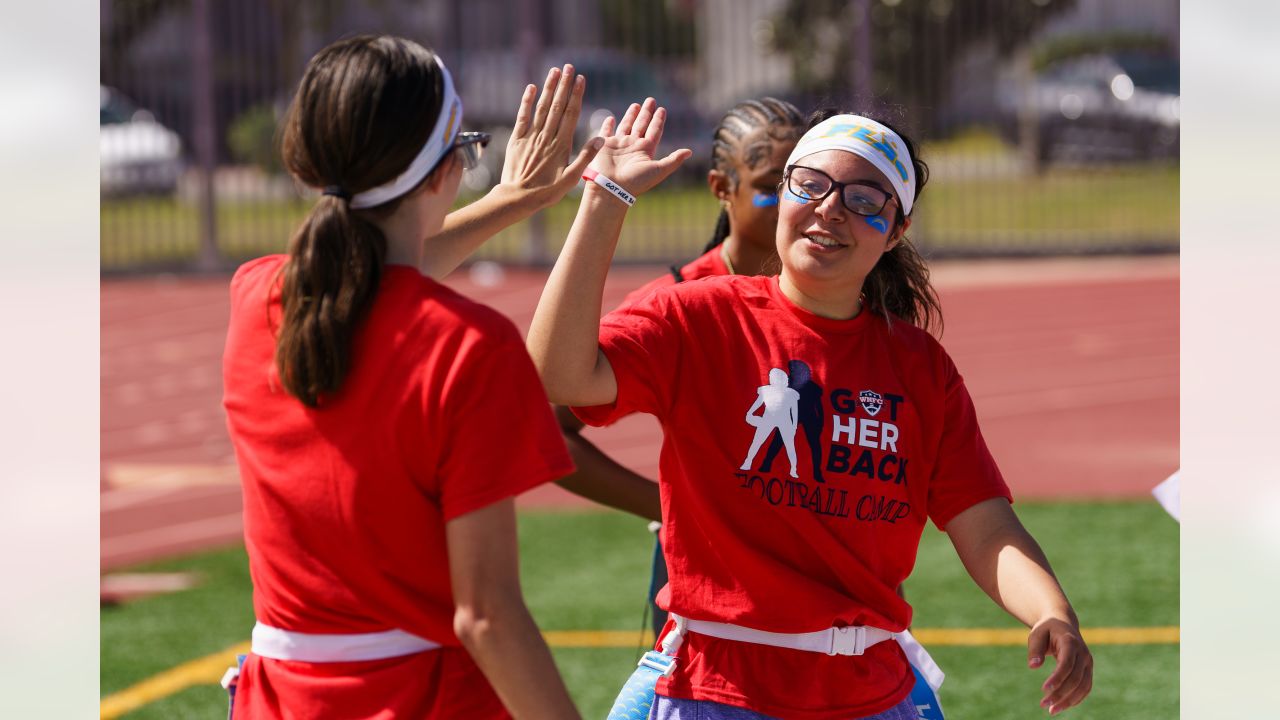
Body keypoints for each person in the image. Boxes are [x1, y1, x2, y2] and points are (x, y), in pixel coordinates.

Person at [528, 99, 1094, 718]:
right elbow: (556, 376)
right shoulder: (697, 316)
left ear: (896, 229)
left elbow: (983, 524)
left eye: (864, 199)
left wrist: (1051, 610)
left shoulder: (921, 369)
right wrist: (604, 198)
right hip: (711, 686)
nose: (829, 209)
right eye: (811, 184)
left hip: (869, 691)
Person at [222, 34, 604, 719]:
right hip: (422, 699)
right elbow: (485, 617)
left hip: (279, 699)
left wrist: (514, 199)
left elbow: (368, 281)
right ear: (441, 173)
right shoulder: (471, 345)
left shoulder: (257, 299)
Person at [551, 98, 808, 637]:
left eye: (802, 179)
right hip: (707, 593)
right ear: (721, 187)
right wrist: (673, 506)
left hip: (823, 571)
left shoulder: (842, 296)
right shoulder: (680, 299)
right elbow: (544, 430)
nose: (790, 199)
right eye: (769, 184)